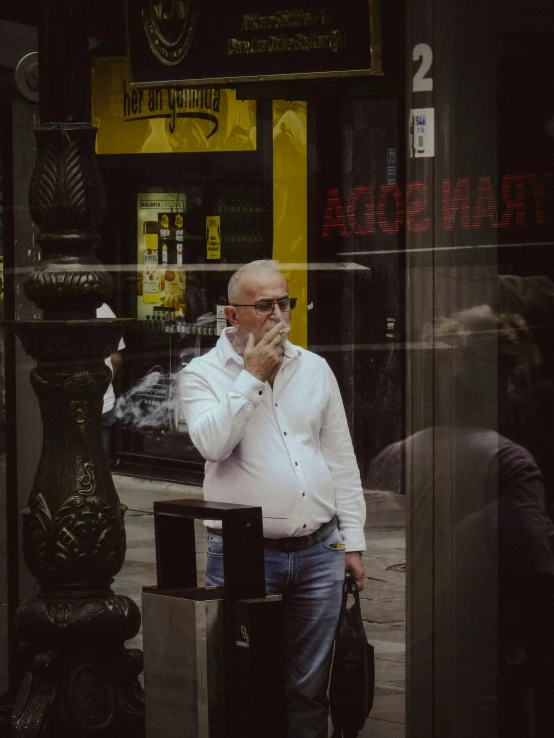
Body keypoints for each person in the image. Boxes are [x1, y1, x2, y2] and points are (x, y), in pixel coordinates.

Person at [180, 259, 366, 738]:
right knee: (244, 680)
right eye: (265, 306)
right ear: (231, 314)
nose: (279, 315)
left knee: (309, 688)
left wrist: (354, 542)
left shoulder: (315, 368)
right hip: (245, 555)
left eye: (285, 302)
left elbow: (340, 458)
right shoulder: (200, 375)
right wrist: (253, 376)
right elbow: (212, 444)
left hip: (320, 551)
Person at [97, 303, 125, 455]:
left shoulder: (59, 308)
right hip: (104, 401)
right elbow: (116, 359)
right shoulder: (104, 309)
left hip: (71, 404)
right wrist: (104, 384)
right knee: (100, 465)